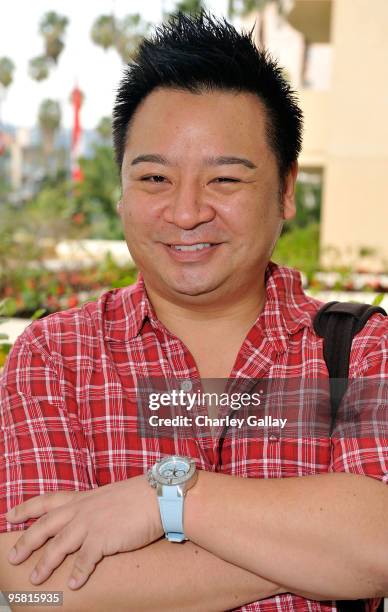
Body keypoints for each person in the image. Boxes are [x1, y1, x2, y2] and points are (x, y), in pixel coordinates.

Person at [0, 11, 387, 612]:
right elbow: (37, 585)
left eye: (224, 180)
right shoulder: (55, 357)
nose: (186, 213)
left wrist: (166, 500)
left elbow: (378, 546)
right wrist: (317, 554)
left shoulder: (362, 349)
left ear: (286, 189)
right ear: (122, 188)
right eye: (155, 177)